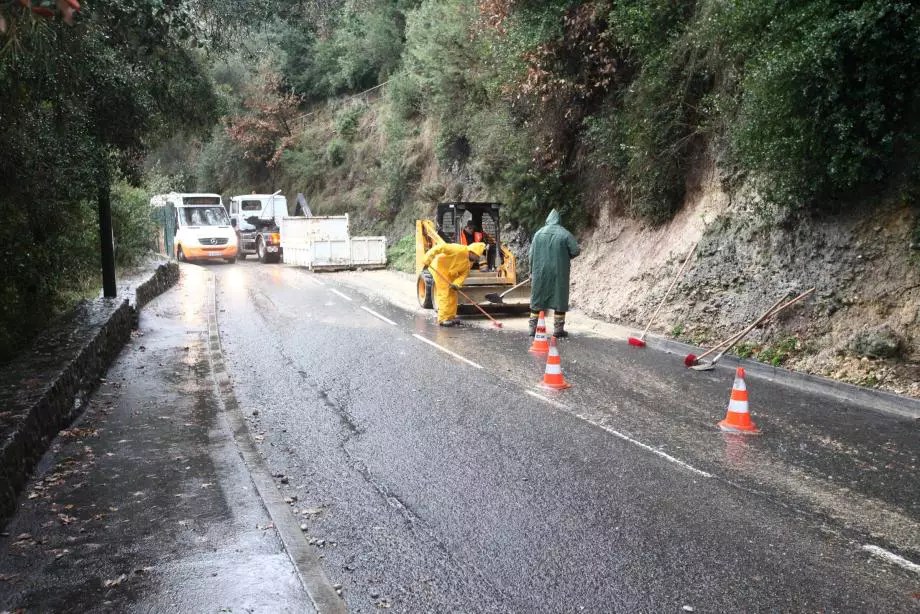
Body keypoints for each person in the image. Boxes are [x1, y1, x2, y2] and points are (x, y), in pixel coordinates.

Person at [529, 209, 580, 338]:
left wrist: (530, 272)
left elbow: (531, 255)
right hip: (559, 271)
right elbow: (575, 250)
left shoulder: (538, 234)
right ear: (559, 220)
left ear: (547, 220)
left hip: (540, 272)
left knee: (537, 298)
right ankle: (558, 330)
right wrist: (564, 255)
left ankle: (532, 328)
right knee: (560, 298)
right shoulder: (565, 234)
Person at [421, 241, 487, 326]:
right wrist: (428, 258)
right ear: (472, 251)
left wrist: (456, 284)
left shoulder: (468, 263)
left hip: (451, 275)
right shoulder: (457, 249)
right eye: (476, 256)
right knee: (444, 294)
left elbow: (463, 275)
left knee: (453, 295)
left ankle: (451, 317)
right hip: (440, 269)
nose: (476, 259)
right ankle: (442, 319)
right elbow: (440, 247)